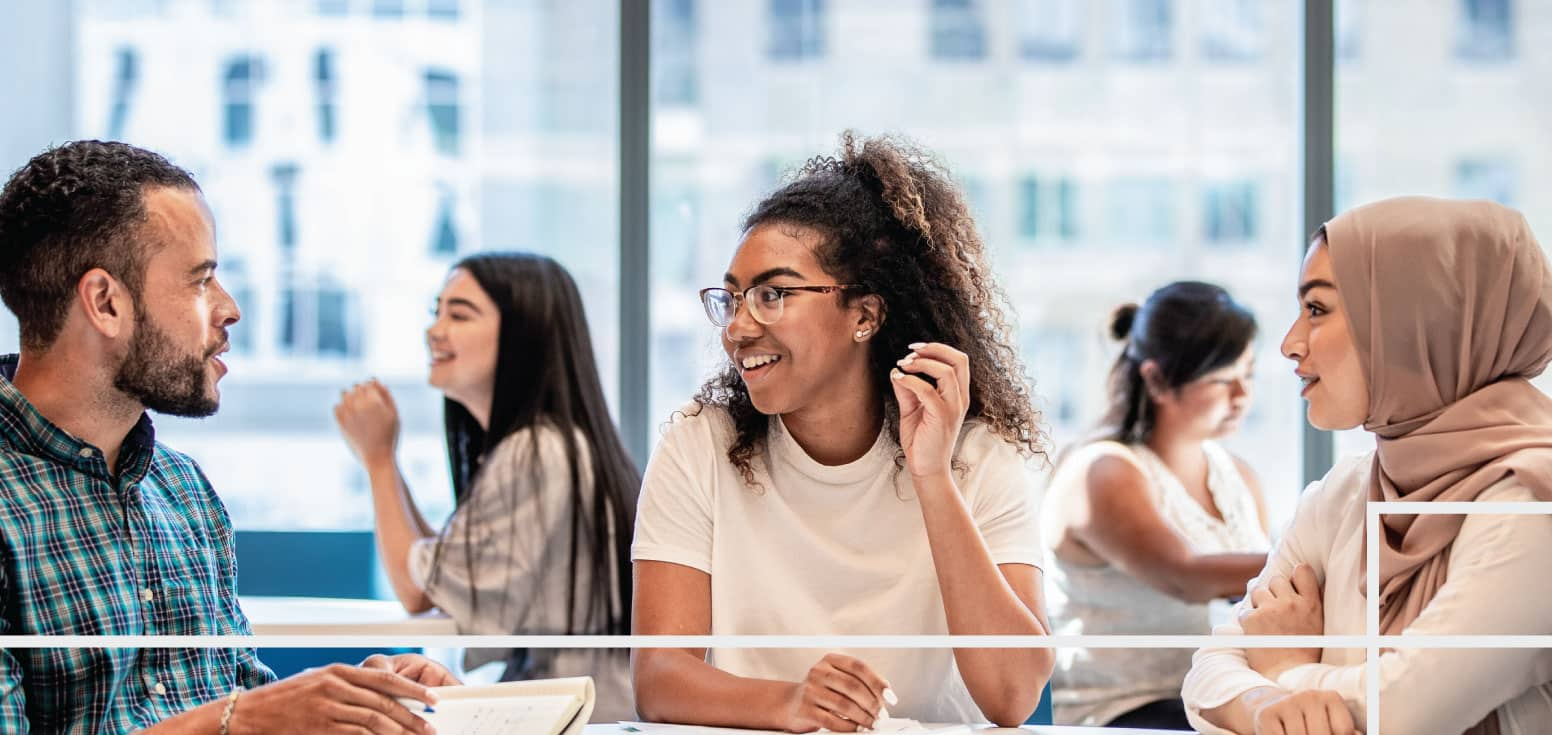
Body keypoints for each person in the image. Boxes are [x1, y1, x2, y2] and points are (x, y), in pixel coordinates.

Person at [0, 140, 458, 734]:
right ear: (105, 302)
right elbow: (232, 720)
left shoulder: (184, 490)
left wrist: (351, 701)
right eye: (201, 281)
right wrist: (240, 719)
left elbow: (236, 705)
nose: (230, 309)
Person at [630, 132, 1054, 730]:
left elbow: (1013, 697)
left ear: (865, 314)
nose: (738, 328)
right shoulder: (701, 444)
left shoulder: (976, 454)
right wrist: (793, 704)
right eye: (732, 299)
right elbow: (658, 679)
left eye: (773, 295)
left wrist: (932, 476)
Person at [1182, 196, 1552, 735]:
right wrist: (1261, 704)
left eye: (1317, 309)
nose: (1290, 344)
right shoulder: (1350, 489)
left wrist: (1283, 668)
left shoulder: (1533, 500)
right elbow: (1209, 670)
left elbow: (1406, 709)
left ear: (1415, 319)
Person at [334, 253, 638, 720]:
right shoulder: (545, 446)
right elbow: (437, 569)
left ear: (523, 334)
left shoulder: (536, 452)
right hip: (570, 710)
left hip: (575, 718)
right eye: (436, 312)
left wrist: (377, 460)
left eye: (459, 314)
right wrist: (384, 457)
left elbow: (417, 591)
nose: (435, 330)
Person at [1039, 282, 1271, 729]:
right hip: (1127, 712)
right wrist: (1320, 558)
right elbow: (1186, 576)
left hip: (1217, 698)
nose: (1242, 395)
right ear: (1158, 379)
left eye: (1250, 374)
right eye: (1222, 378)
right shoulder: (1102, 472)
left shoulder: (1239, 476)